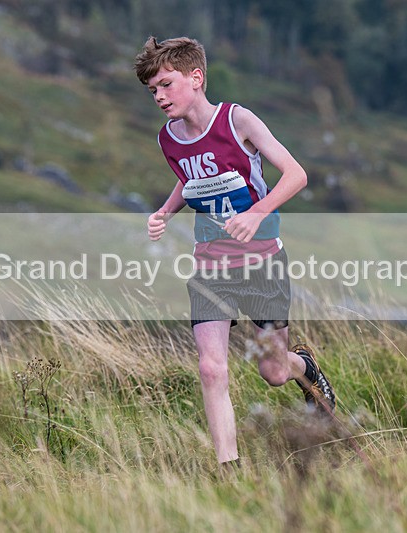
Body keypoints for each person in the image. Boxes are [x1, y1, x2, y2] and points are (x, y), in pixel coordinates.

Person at [133, 36, 336, 467]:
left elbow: (296, 175)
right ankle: (230, 470)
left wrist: (257, 213)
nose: (160, 96)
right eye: (153, 90)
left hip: (262, 260)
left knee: (275, 372)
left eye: (166, 85)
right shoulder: (168, 139)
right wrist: (166, 211)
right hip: (210, 265)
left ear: (196, 77)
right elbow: (191, 178)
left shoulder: (237, 120)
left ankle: (308, 370)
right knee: (211, 368)